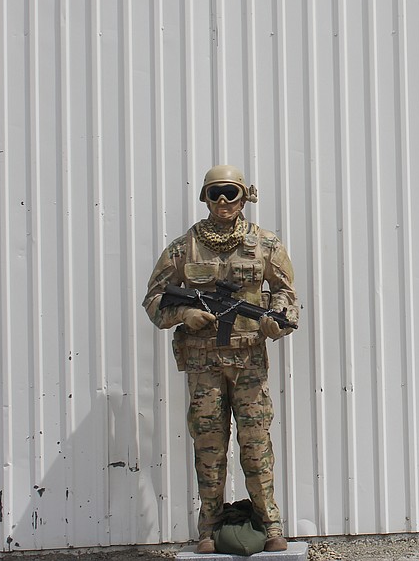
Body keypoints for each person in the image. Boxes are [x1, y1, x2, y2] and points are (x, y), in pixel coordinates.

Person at [143, 164, 298, 554]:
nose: (224, 200)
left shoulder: (266, 244)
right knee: (209, 447)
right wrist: (185, 314)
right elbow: (154, 300)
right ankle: (208, 529)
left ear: (245, 195)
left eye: (231, 191)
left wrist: (276, 322)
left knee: (256, 443)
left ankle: (270, 522)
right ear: (205, 198)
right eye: (215, 193)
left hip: (249, 363)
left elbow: (285, 294)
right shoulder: (183, 248)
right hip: (204, 365)